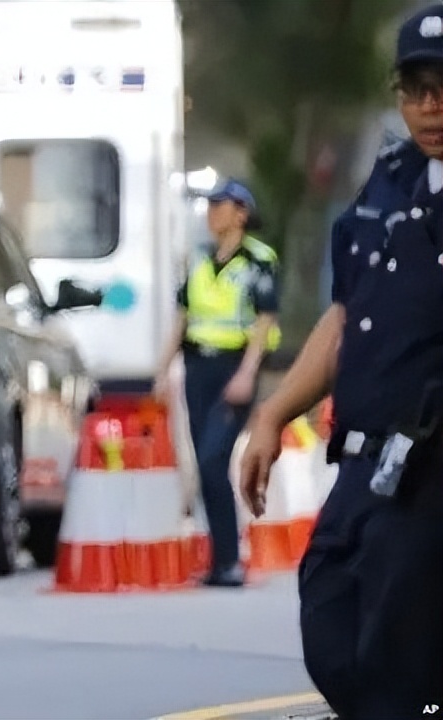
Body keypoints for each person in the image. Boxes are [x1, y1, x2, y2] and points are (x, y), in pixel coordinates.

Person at [239, 6, 443, 717]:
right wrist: (273, 412)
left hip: (430, 470)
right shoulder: (388, 180)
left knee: (394, 665)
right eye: (415, 87)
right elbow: (346, 315)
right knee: (331, 631)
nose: (429, 106)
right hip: (363, 467)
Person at [153, 177, 280, 588]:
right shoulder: (200, 258)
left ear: (241, 212)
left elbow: (264, 322)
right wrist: (162, 368)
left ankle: (230, 559)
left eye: (221, 205)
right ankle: (219, 559)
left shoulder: (258, 260)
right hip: (198, 369)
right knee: (204, 466)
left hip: (233, 369)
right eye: (209, 206)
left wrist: (247, 373)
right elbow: (183, 316)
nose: (212, 214)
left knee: (212, 458)